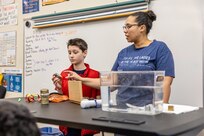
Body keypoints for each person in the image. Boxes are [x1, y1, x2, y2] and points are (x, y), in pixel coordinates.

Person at [65, 10, 175, 104]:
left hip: (148, 110)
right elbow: (111, 83)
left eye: (128, 26)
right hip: (123, 110)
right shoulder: (124, 53)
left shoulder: (159, 48)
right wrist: (81, 79)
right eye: (124, 27)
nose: (125, 30)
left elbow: (165, 82)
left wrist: (162, 110)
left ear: (142, 28)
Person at [52, 38, 100, 136]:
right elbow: (63, 97)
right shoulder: (64, 74)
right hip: (68, 119)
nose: (71, 55)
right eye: (69, 52)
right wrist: (59, 87)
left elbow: (99, 99)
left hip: (87, 121)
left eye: (75, 52)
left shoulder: (94, 75)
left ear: (85, 53)